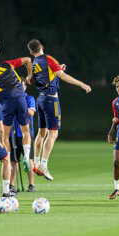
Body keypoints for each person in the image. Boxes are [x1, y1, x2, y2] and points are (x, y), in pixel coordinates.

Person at [27, 39, 92, 181]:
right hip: (51, 99)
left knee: (41, 132)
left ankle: (36, 162)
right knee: (53, 133)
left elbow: (34, 80)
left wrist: (58, 68)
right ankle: (44, 164)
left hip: (41, 99)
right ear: (42, 47)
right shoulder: (48, 58)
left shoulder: (34, 63)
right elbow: (61, 76)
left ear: (31, 52)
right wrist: (82, 84)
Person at [0, 54, 33, 173]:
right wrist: (29, 75)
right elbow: (28, 60)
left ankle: (8, 161)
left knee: (4, 136)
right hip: (21, 100)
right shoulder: (7, 64)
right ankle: (26, 156)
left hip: (7, 104)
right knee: (26, 131)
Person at [9, 77, 36, 192]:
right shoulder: (11, 99)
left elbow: (31, 112)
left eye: (21, 86)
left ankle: (31, 185)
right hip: (12, 133)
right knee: (14, 160)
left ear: (25, 87)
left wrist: (21, 103)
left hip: (26, 134)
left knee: (29, 159)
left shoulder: (29, 98)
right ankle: (11, 184)